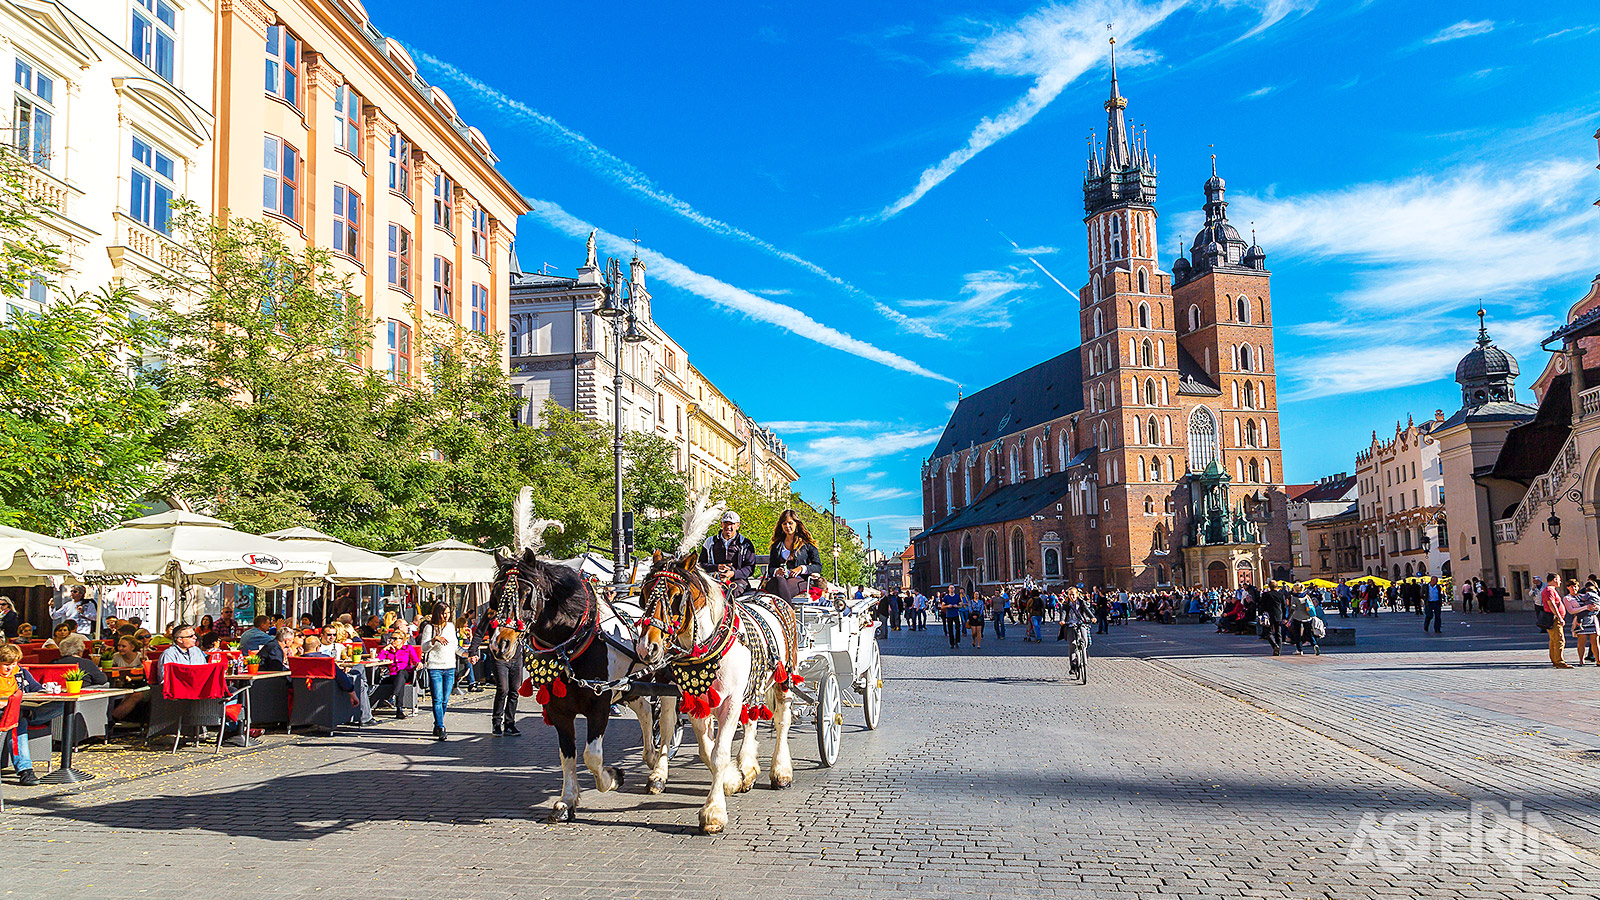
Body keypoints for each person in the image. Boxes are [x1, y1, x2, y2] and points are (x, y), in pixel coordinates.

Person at [0, 643, 60, 785]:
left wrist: (45, 693)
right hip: (4, 714)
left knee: (63, 705)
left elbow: (36, 688)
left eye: (13, 664)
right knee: (18, 719)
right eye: (6, 664)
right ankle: (25, 770)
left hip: (23, 709)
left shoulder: (20, 672)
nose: (10, 668)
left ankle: (28, 713)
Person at [467, 604, 525, 735]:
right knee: (503, 689)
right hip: (498, 657)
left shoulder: (519, 612)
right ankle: (496, 721)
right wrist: (473, 651)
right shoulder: (492, 612)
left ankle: (510, 723)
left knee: (515, 690)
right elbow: (480, 632)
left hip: (516, 656)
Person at [300, 635, 375, 726]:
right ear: (318, 648)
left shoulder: (297, 661)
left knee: (360, 671)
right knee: (361, 682)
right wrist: (352, 693)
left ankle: (366, 690)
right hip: (330, 691)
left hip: (305, 693)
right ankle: (366, 716)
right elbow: (342, 679)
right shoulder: (325, 660)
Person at [764, 509, 823, 602]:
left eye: (790, 523)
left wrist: (801, 569)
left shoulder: (807, 545)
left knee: (782, 586)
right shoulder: (777, 546)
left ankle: (786, 613)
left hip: (799, 581)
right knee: (780, 581)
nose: (787, 526)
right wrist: (777, 571)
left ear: (796, 524)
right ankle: (789, 614)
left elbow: (818, 567)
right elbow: (771, 568)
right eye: (784, 524)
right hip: (779, 581)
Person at [420, 602, 458, 740]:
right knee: (437, 699)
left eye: (448, 613)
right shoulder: (429, 627)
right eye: (443, 613)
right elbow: (424, 648)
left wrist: (468, 655)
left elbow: (455, 646)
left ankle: (437, 724)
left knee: (445, 700)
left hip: (449, 666)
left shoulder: (451, 627)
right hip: (435, 667)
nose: (446, 616)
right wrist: (434, 639)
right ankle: (441, 727)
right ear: (437, 613)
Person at [699, 510, 757, 599]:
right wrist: (716, 567)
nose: (728, 527)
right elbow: (701, 564)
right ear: (721, 524)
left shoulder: (745, 544)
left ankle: (729, 613)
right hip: (713, 579)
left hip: (737, 580)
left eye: (732, 524)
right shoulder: (710, 542)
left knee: (731, 593)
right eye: (726, 523)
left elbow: (750, 568)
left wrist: (733, 573)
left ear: (738, 525)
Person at [371, 630, 421, 719]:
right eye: (391, 638)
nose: (392, 641)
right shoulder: (389, 651)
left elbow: (415, 659)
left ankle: (394, 698)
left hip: (407, 674)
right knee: (399, 681)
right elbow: (378, 660)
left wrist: (418, 663)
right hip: (393, 675)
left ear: (402, 640)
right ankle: (398, 709)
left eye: (395, 639)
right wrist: (384, 649)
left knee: (401, 673)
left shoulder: (408, 648)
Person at [1538, 574, 1570, 669]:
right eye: (1559, 580)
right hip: (1553, 618)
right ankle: (1559, 661)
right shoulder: (1549, 590)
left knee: (1554, 640)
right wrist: (1559, 617)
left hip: (1554, 617)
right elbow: (1551, 604)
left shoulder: (1550, 590)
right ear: (1554, 580)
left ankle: (1555, 659)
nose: (1560, 582)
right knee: (1559, 640)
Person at [1572, 580, 1600, 667]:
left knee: (1590, 642)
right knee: (1588, 642)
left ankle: (1593, 660)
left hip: (1589, 620)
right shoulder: (1579, 596)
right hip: (1586, 620)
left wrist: (1596, 607)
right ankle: (1584, 660)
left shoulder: (1585, 596)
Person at [1288, 587, 1320, 656]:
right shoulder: (1306, 596)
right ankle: (1314, 644)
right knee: (1308, 633)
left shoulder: (1294, 597)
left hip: (1297, 617)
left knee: (1297, 634)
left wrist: (1289, 618)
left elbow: (1293, 608)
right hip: (1307, 617)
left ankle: (1300, 650)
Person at [1257, 582, 1286, 657]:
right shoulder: (1281, 594)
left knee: (1268, 632)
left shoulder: (1265, 595)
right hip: (1278, 615)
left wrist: (1260, 614)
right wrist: (1284, 617)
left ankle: (1275, 646)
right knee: (1278, 633)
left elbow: (1261, 605)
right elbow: (1284, 606)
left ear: (1269, 587)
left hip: (1268, 615)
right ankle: (1278, 650)